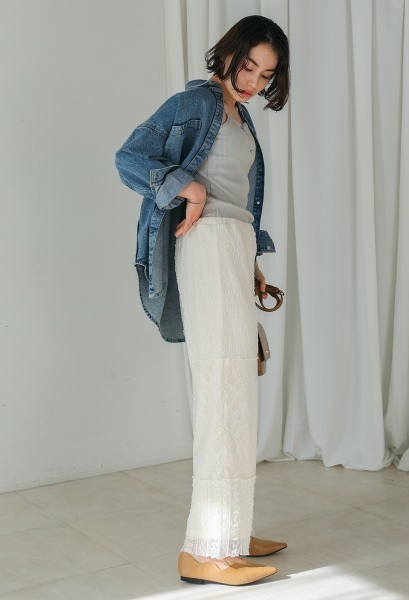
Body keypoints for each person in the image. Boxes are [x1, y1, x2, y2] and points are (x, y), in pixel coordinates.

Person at [115, 15, 290, 586]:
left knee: (237, 386)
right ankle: (204, 549)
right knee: (222, 387)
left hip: (233, 247)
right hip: (207, 243)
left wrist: (251, 262)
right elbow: (130, 156)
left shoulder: (241, 117)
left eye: (266, 75)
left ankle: (231, 532)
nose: (254, 81)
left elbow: (236, 199)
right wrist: (184, 187)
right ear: (229, 54)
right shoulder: (194, 104)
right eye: (248, 67)